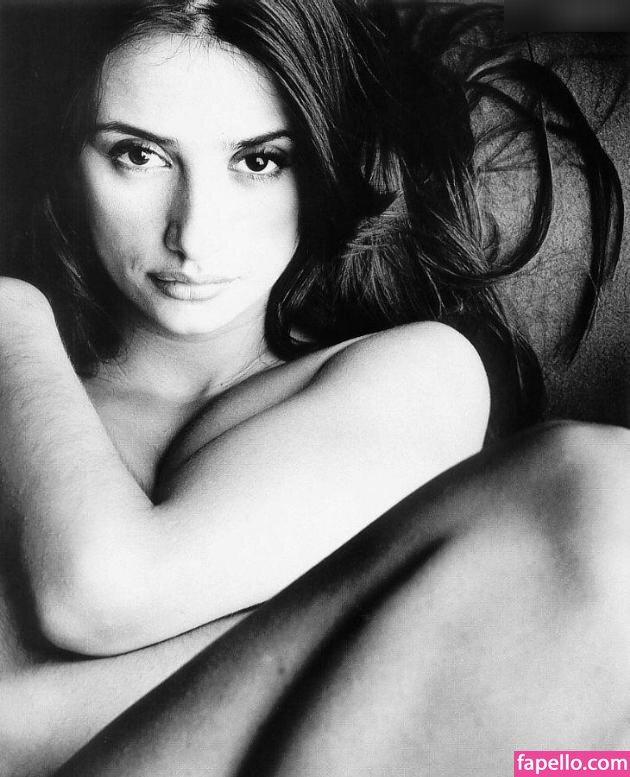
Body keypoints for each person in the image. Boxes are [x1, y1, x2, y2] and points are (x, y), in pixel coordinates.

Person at [0, 1, 627, 774]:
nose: (194, 233)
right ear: (68, 156)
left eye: (259, 161)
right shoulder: (24, 392)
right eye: (139, 154)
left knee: (604, 491)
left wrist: (12, 315)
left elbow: (103, 589)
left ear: (325, 163)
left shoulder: (410, 379)